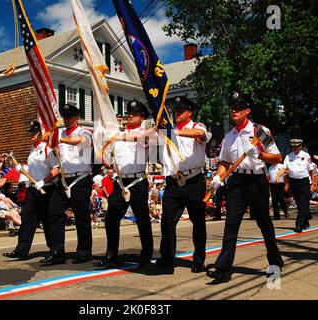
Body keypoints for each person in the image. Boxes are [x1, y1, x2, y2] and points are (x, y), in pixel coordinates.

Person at [207, 92, 284, 284]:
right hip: (236, 183)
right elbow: (225, 161)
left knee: (264, 224)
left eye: (238, 107)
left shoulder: (260, 131)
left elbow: (277, 157)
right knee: (231, 224)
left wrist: (259, 154)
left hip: (256, 182)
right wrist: (218, 176)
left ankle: (275, 262)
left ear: (247, 111)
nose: (234, 110)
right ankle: (223, 268)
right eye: (232, 107)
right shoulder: (230, 136)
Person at [153, 95, 211, 274]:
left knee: (198, 222)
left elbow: (201, 135)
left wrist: (173, 132)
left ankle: (199, 260)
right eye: (175, 111)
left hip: (194, 181)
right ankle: (167, 259)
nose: (176, 113)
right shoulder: (167, 130)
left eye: (180, 111)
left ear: (190, 112)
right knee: (167, 222)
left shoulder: (196, 126)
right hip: (173, 182)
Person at [96, 100, 153, 269]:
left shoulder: (145, 133)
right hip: (120, 182)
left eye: (134, 114)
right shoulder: (118, 134)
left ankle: (146, 255)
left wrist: (120, 135)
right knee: (111, 218)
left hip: (137, 181)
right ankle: (111, 254)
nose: (130, 116)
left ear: (142, 117)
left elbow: (144, 136)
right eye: (129, 113)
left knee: (142, 220)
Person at [42, 104, 93, 266]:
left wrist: (58, 139)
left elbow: (80, 142)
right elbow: (58, 155)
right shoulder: (61, 133)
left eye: (70, 117)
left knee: (81, 217)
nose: (66, 120)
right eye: (64, 117)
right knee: (53, 213)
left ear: (77, 118)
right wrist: (52, 145)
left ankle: (84, 252)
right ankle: (57, 251)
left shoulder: (84, 131)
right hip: (64, 180)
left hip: (80, 179)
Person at [3, 120, 59, 260]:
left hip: (47, 189)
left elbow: (56, 169)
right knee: (27, 218)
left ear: (40, 134)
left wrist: (43, 181)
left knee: (47, 220)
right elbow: (33, 169)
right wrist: (21, 169)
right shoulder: (32, 149)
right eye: (31, 133)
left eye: (34, 133)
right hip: (33, 189)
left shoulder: (47, 148)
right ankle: (21, 250)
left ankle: (54, 251)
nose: (32, 135)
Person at [282, 139, 314, 232]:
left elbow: (311, 170)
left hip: (304, 182)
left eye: (297, 146)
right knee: (300, 204)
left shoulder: (306, 155)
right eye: (293, 146)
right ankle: (306, 219)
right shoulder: (288, 157)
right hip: (293, 182)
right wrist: (286, 183)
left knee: (304, 203)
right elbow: (285, 170)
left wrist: (313, 183)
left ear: (300, 146)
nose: (295, 148)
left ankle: (298, 224)